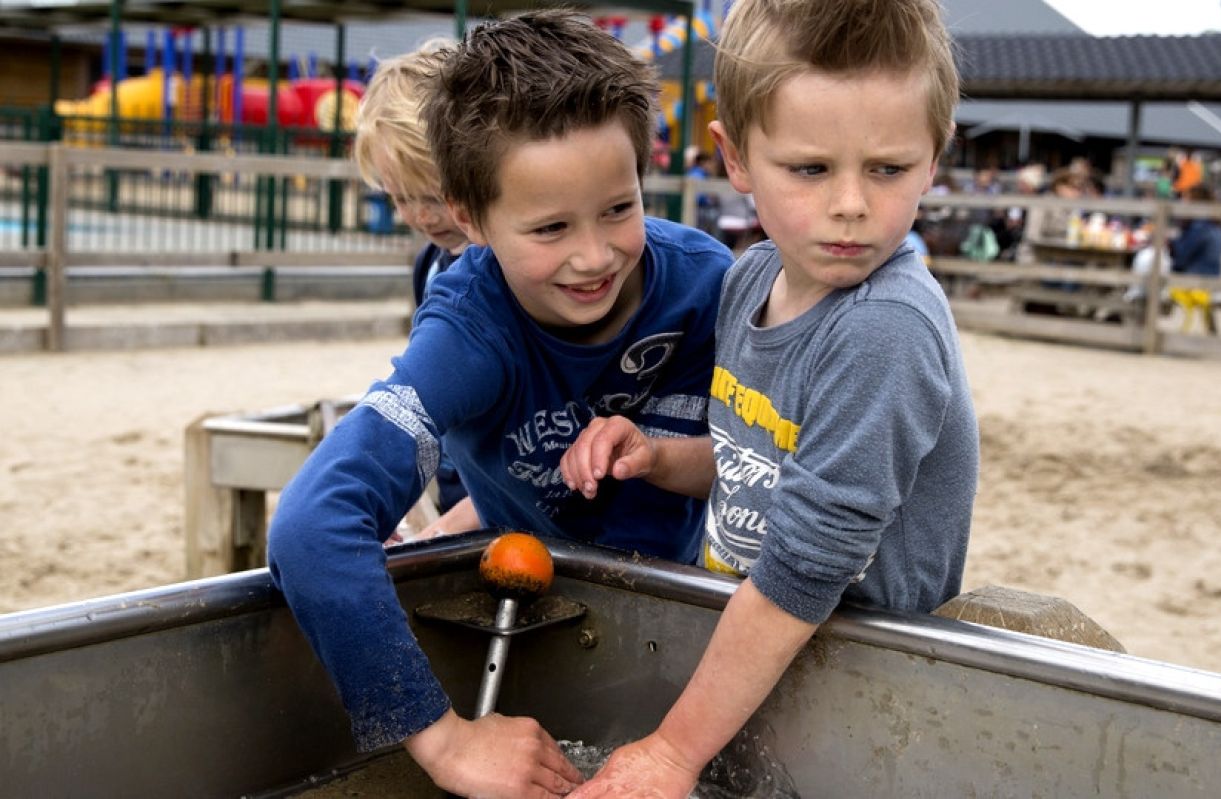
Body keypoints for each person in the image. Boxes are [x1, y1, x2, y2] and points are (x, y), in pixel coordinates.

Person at [266, 12, 733, 798]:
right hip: (525, 620)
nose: (594, 255)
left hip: (681, 618)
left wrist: (663, 456)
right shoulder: (468, 332)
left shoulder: (706, 288)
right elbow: (313, 522)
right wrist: (444, 741)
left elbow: (765, 464)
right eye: (550, 227)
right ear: (470, 220)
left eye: (618, 209)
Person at [558, 1, 978, 796]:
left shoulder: (882, 329)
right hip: (756, 663)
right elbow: (756, 460)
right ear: (737, 157)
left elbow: (804, 568)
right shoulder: (749, 279)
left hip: (862, 683)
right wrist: (660, 457)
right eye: (810, 169)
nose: (851, 203)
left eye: (887, 169)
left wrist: (671, 753)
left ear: (933, 158)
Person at [352, 38, 477, 540]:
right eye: (400, 198)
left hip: (507, 503)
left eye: (433, 197)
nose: (419, 216)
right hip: (453, 486)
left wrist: (445, 530)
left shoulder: (524, 277)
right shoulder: (432, 266)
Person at [1171, 184, 1221, 277]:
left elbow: (1180, 259)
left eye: (1185, 198)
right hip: (1209, 280)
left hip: (1194, 284)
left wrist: (1171, 245)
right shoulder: (1212, 224)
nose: (1182, 202)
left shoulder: (1199, 227)